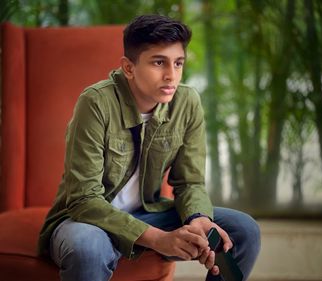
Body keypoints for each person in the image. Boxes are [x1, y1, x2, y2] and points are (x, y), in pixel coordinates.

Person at [38, 14, 260, 281]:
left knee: (243, 229)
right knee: (88, 248)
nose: (171, 76)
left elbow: (189, 181)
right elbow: (83, 199)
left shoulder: (187, 102)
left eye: (178, 63)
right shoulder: (96, 103)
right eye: (159, 62)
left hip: (149, 213)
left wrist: (198, 218)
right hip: (87, 221)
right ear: (129, 68)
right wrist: (159, 239)